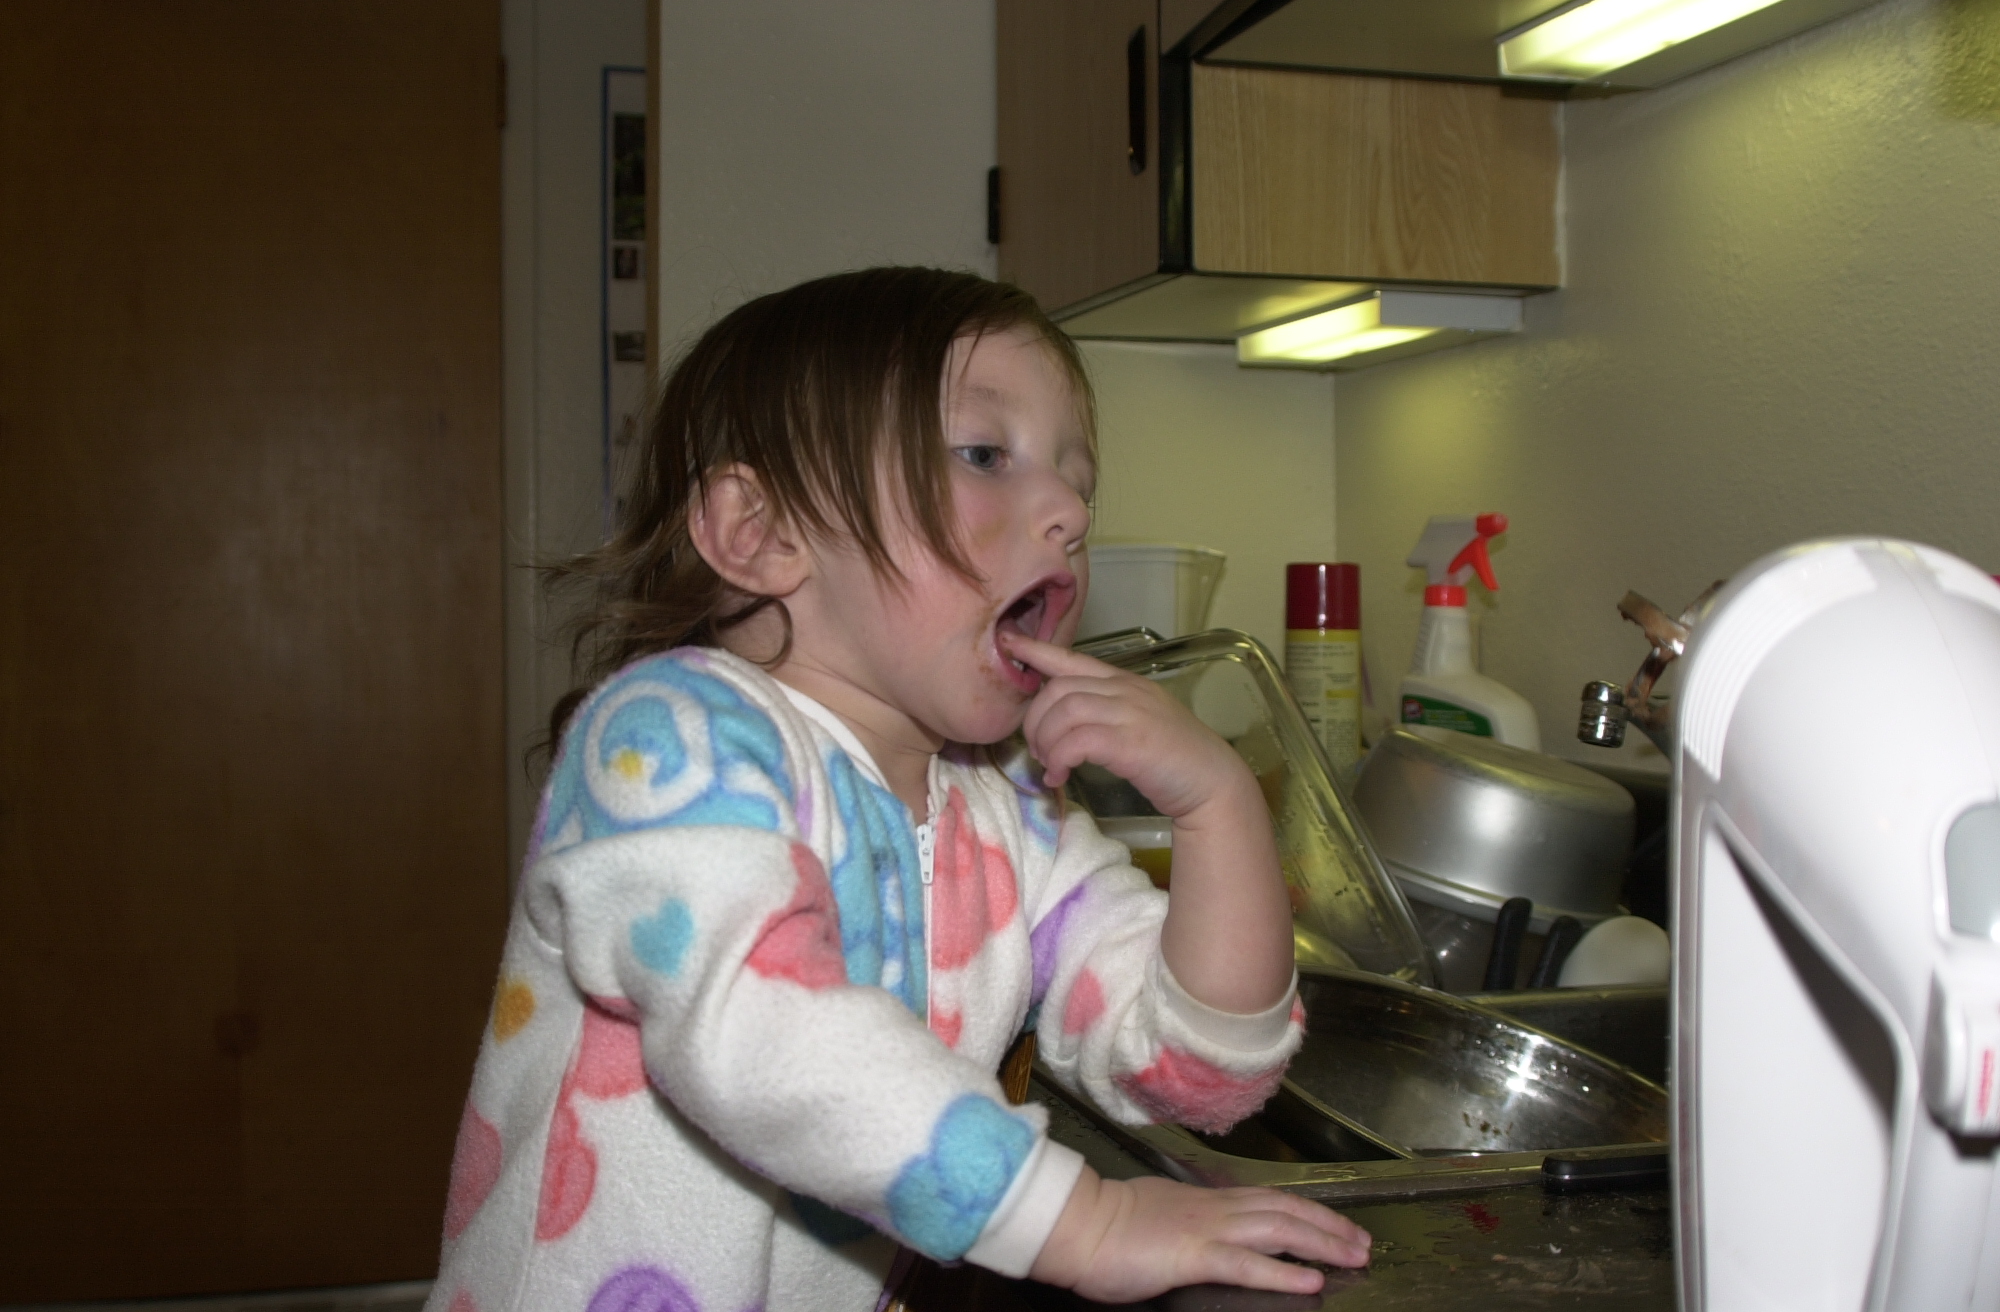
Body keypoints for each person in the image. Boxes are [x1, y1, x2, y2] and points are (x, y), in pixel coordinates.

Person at [427, 268, 1371, 1312]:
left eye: (1079, 483)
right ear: (759, 531)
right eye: (983, 454)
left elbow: (1197, 1072)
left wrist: (1219, 807)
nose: (1067, 513)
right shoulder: (669, 742)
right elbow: (761, 1030)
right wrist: (1087, 1222)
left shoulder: (1013, 812)